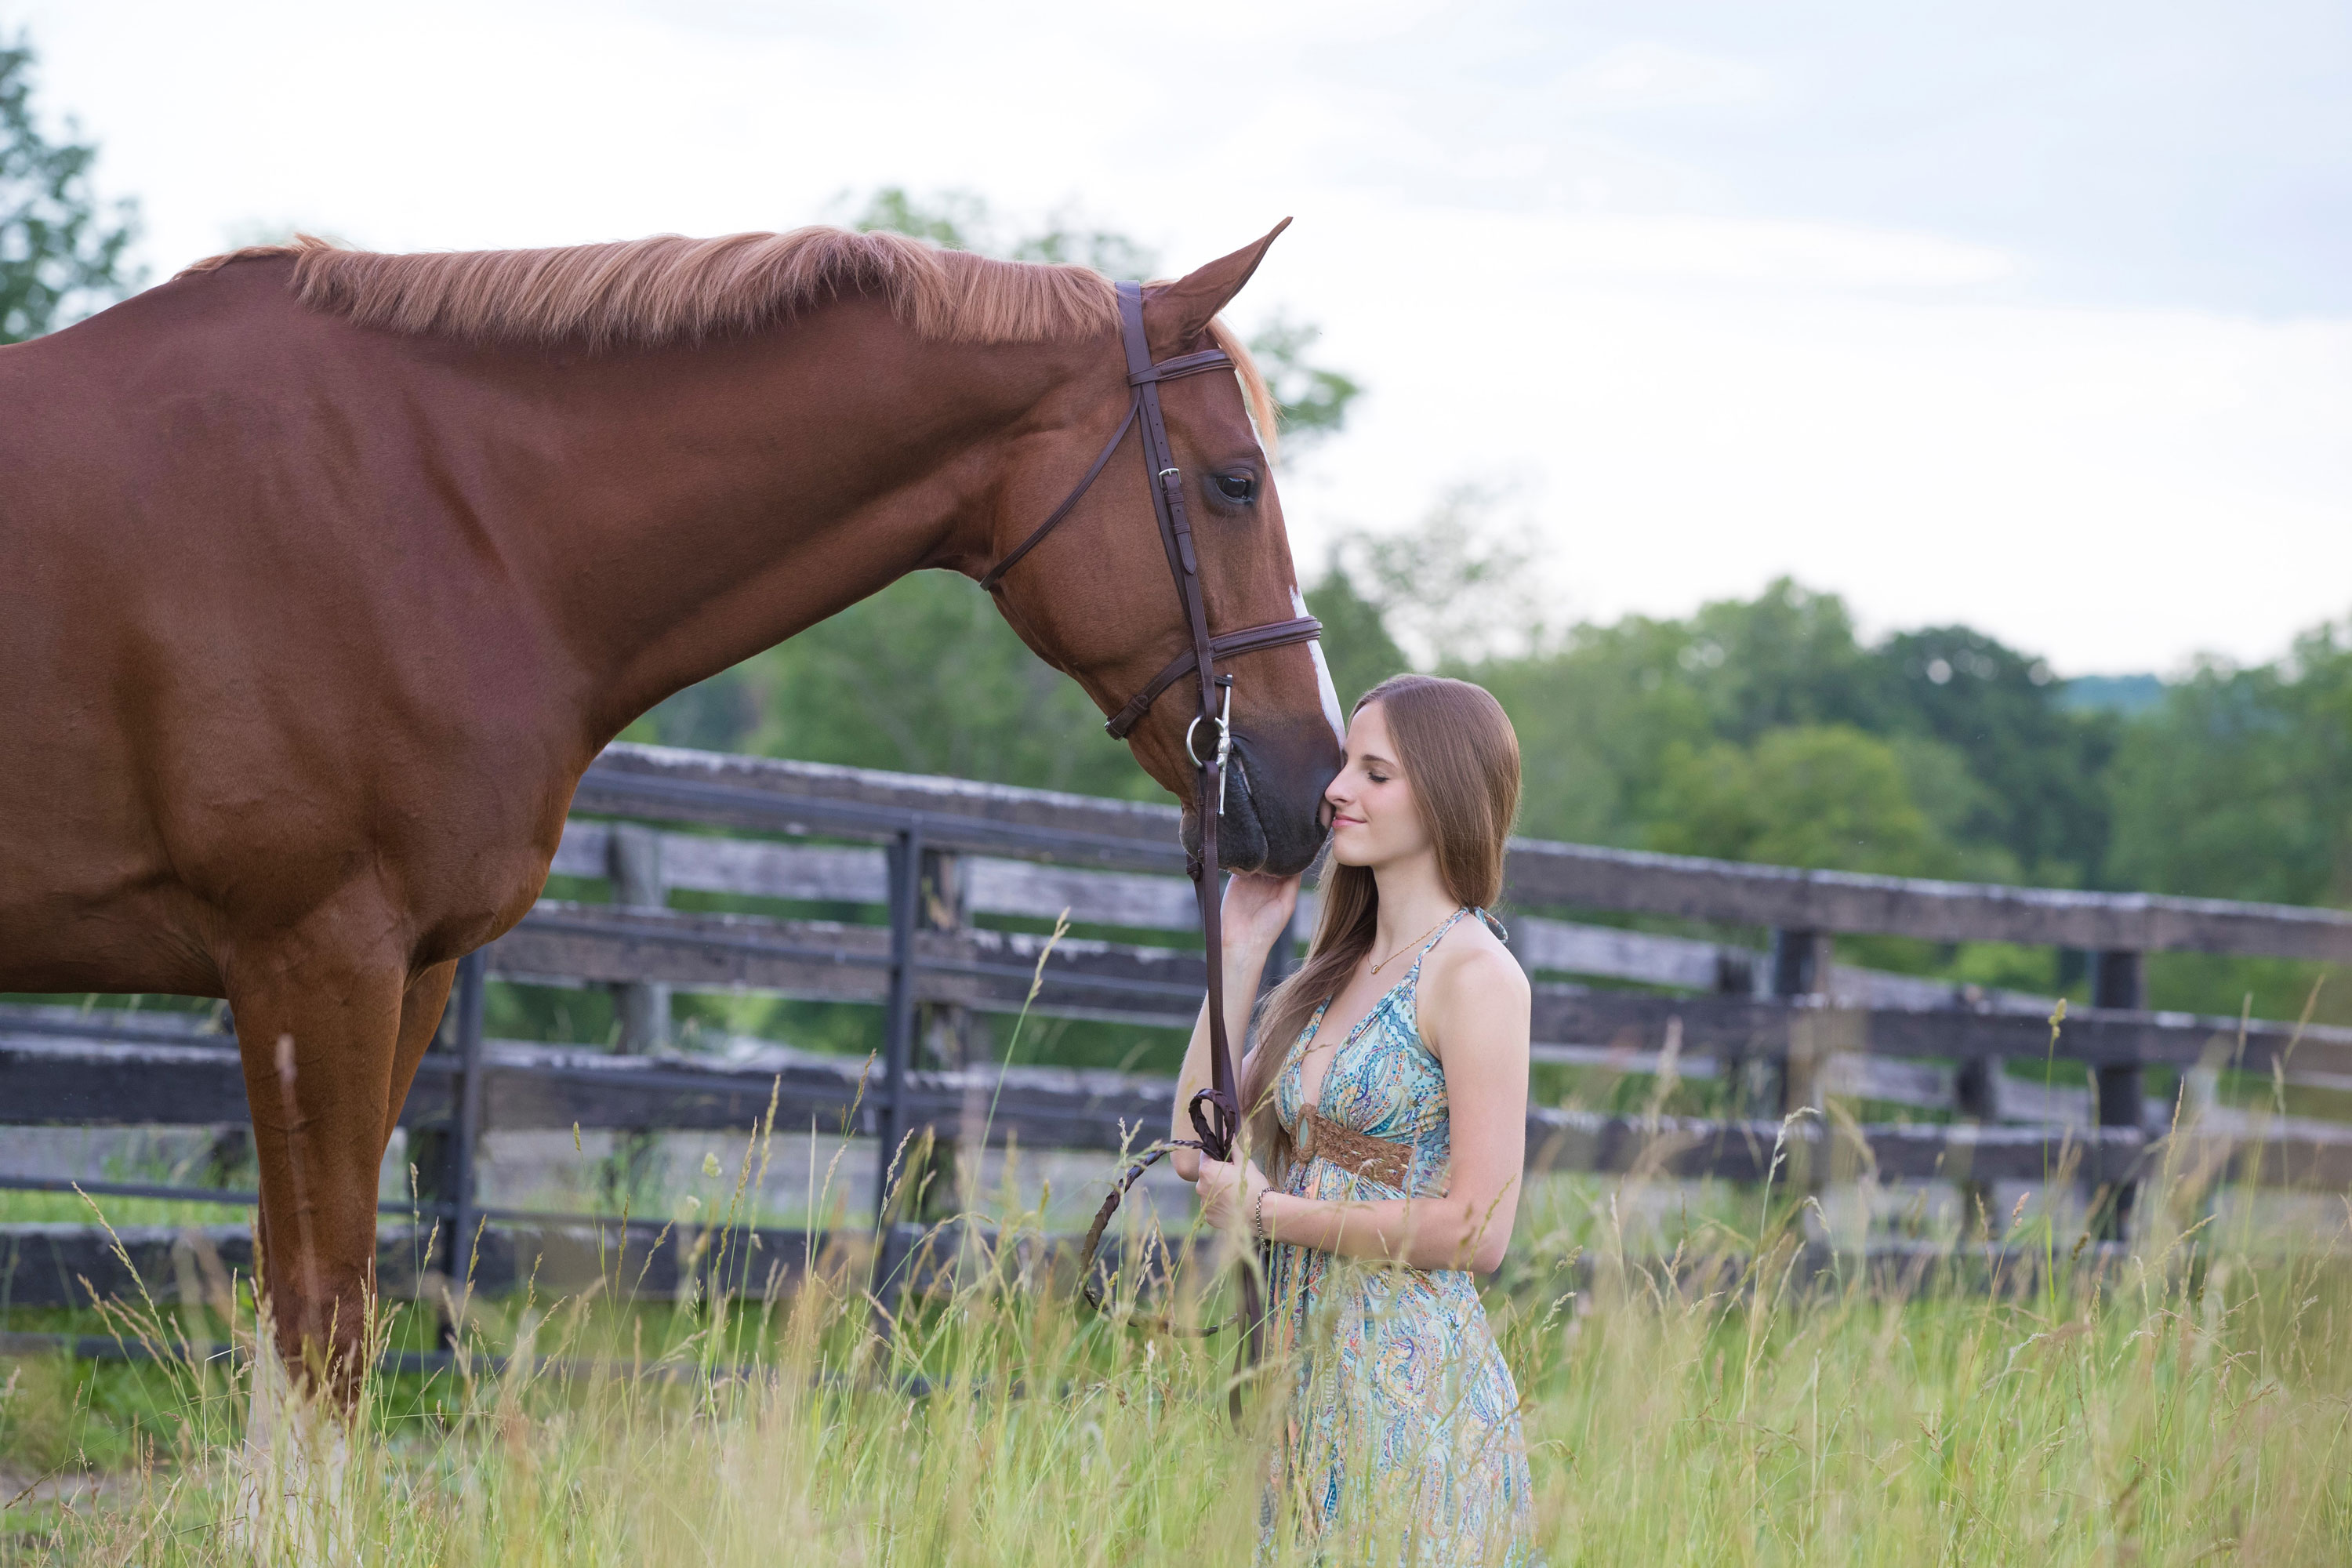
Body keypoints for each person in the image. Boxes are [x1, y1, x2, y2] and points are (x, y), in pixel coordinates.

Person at [1177, 673, 1539, 1564]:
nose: (1336, 789)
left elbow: (1477, 1230)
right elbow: (1196, 1144)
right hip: (1298, 1379)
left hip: (1409, 1382)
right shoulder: (1336, 967)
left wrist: (1271, 1214)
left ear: (1447, 790)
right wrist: (1241, 946)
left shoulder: (1475, 974)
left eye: (1376, 773)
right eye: (1346, 766)